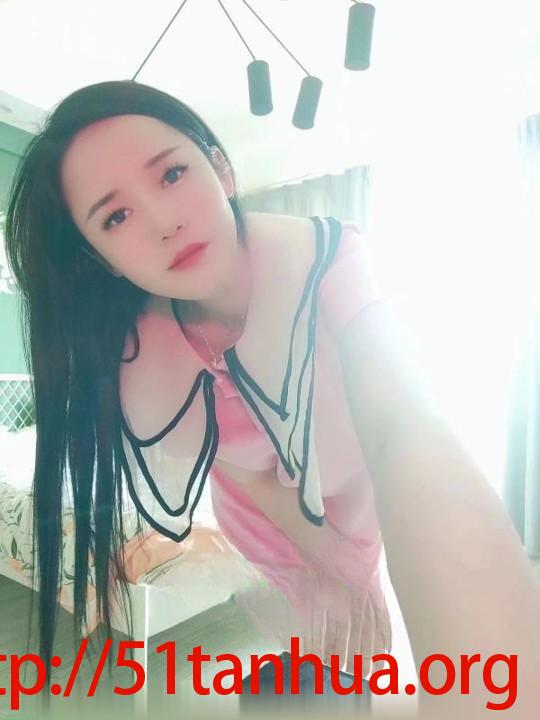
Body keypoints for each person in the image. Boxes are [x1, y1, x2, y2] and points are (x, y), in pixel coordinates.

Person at [4, 79, 540, 718]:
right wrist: (325, 564)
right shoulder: (144, 354)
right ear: (104, 259)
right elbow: (233, 468)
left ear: (221, 170)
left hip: (352, 509)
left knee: (355, 655)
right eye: (116, 217)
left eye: (172, 174)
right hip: (264, 529)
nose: (165, 222)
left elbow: (403, 423)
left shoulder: (328, 262)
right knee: (317, 671)